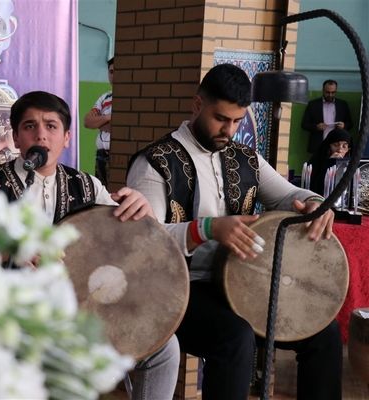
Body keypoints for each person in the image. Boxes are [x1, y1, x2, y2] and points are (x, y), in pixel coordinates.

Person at [127, 64, 342, 400]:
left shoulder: (246, 158)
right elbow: (145, 242)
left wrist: (315, 202)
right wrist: (207, 229)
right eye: (220, 118)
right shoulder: (155, 163)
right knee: (235, 336)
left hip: (242, 284)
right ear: (197, 105)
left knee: (323, 331)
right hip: (177, 290)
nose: (228, 130)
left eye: (237, 121)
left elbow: (289, 194)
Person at [0, 90, 180, 400]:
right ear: (16, 138)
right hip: (13, 310)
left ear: (67, 137)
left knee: (164, 348)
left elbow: (129, 238)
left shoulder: (88, 185)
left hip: (83, 308)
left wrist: (142, 209)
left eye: (51, 126)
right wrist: (6, 252)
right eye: (30, 126)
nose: (41, 135)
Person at [301, 79, 353, 154]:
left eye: (333, 92)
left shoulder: (342, 105)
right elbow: (304, 124)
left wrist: (344, 126)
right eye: (327, 92)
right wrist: (316, 127)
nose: (330, 95)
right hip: (318, 144)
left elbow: (350, 124)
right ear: (322, 90)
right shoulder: (313, 104)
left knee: (334, 165)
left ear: (336, 91)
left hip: (337, 146)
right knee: (318, 165)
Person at [84, 57, 114, 187]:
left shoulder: (130, 97)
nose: (113, 76)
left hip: (117, 155)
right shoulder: (105, 97)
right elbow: (88, 122)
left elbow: (119, 127)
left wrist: (99, 122)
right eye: (111, 72)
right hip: (101, 155)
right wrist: (107, 118)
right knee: (102, 196)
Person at [308, 128, 353, 197]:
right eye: (335, 145)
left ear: (348, 149)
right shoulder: (317, 161)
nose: (340, 150)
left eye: (344, 146)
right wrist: (329, 163)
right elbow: (315, 187)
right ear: (328, 146)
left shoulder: (351, 164)